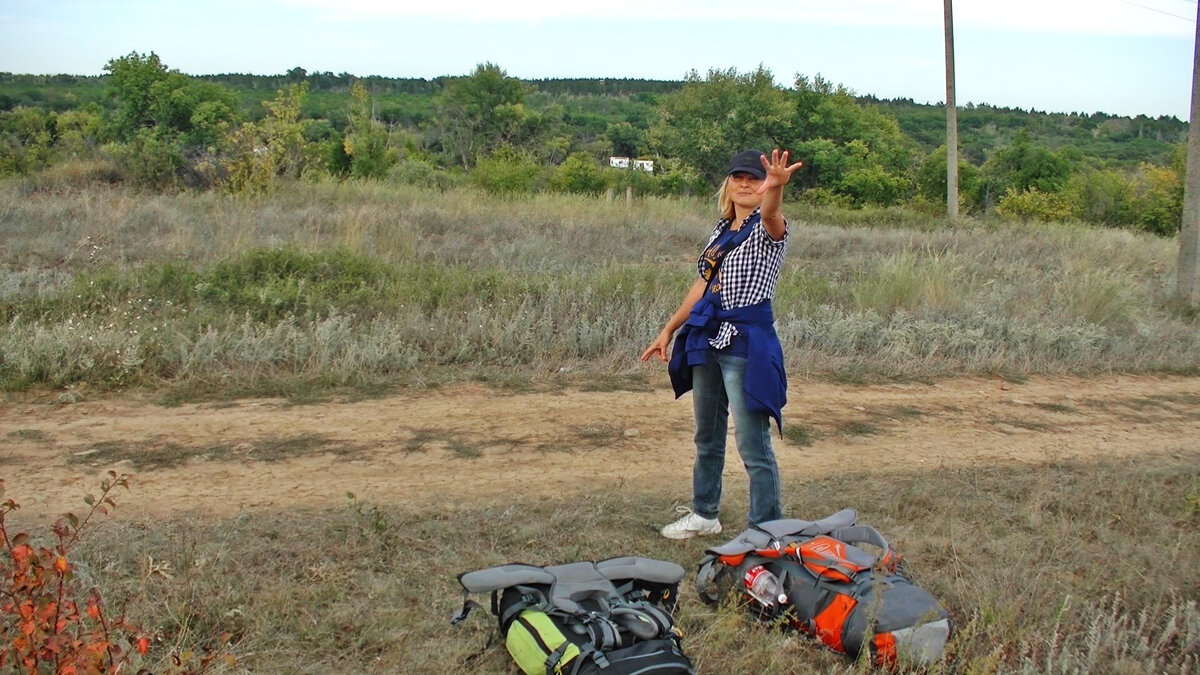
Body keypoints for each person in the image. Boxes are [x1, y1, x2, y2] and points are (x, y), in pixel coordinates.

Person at [640, 148, 802, 539]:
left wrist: (775, 188)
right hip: (708, 338)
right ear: (728, 184)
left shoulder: (769, 228)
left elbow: (770, 215)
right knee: (707, 435)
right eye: (738, 177)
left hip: (746, 342)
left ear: (766, 185)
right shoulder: (721, 230)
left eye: (754, 178)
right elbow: (702, 284)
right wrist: (670, 328)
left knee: (752, 444)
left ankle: (765, 531)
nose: (746, 183)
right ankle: (704, 514)